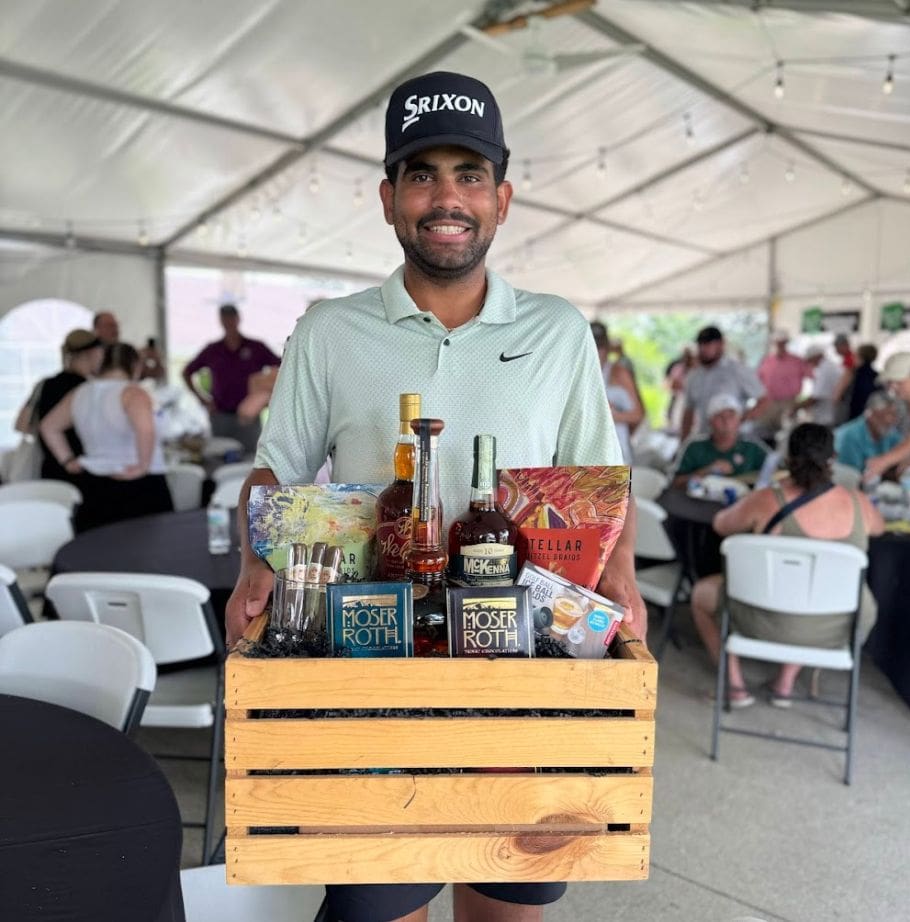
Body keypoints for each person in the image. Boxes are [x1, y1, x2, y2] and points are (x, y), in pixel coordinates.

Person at [226, 69, 645, 922]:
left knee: (506, 901)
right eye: (422, 175)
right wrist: (253, 566)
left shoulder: (558, 330)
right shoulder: (329, 331)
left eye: (470, 175)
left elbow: (600, 486)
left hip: (523, 675)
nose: (446, 198)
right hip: (373, 670)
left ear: (502, 199)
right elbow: (276, 472)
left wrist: (622, 578)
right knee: (383, 902)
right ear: (388, 199)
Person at [690, 423, 883, 707]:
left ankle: (734, 685)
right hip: (835, 627)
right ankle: (785, 683)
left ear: (788, 458)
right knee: (816, 595)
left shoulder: (766, 499)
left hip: (763, 619)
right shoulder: (859, 504)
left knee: (700, 595)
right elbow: (879, 528)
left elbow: (721, 524)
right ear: (833, 458)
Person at [40, 342, 173, 532]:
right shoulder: (133, 393)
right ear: (135, 365)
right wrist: (143, 465)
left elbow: (48, 426)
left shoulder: (80, 392)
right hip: (137, 483)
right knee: (150, 544)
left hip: (93, 482)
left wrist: (67, 460)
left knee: (99, 545)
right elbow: (146, 430)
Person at [182, 304, 280, 454]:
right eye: (225, 318)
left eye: (231, 318)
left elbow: (282, 367)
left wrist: (267, 395)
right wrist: (203, 400)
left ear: (238, 319)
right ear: (221, 321)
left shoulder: (256, 347)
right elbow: (187, 372)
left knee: (251, 457)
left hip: (249, 418)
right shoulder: (213, 350)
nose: (228, 322)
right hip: (220, 415)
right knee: (220, 456)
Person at [14, 329, 104, 481]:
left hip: (50, 472)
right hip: (84, 471)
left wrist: (49, 438)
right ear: (92, 353)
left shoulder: (44, 385)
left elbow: (21, 425)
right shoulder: (90, 390)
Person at [681, 325, 766, 440]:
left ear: (721, 344)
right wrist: (683, 442)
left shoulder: (737, 370)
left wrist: (740, 420)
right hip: (705, 438)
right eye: (701, 344)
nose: (704, 349)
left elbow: (763, 399)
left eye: (708, 344)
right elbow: (688, 412)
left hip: (735, 439)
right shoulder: (693, 376)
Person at [671, 393, 768, 489]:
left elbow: (773, 474)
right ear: (710, 421)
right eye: (720, 416)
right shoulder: (694, 447)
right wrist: (707, 471)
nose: (726, 421)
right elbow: (675, 483)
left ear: (739, 420)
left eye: (731, 416)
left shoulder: (753, 449)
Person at [863, 351, 910, 482]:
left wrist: (883, 461)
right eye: (890, 383)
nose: (894, 387)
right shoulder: (904, 405)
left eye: (899, 382)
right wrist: (908, 456)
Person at [590, 321, 643, 463]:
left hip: (616, 452)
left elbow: (638, 415)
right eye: (592, 346)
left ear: (607, 348)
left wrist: (609, 414)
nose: (596, 352)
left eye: (600, 347)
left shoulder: (618, 372)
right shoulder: (578, 373)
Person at [756, 329, 808, 437]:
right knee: (765, 433)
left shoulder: (797, 361)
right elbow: (757, 382)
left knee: (788, 434)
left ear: (786, 343)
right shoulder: (766, 361)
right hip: (769, 403)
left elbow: (813, 376)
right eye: (777, 343)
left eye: (782, 342)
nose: (780, 345)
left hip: (789, 402)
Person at [833, 392, 901, 474]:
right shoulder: (851, 435)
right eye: (885, 415)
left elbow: (904, 457)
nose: (890, 420)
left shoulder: (891, 433)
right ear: (870, 415)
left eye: (893, 415)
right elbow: (851, 472)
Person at [798, 344, 844, 427]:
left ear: (816, 357)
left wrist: (796, 407)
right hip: (829, 415)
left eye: (810, 360)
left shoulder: (826, 369)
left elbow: (816, 397)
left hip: (827, 417)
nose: (809, 363)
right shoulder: (827, 366)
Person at [839, 343, 880, 421]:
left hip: (853, 415)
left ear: (859, 357)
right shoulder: (877, 375)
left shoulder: (851, 374)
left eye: (855, 355)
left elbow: (837, 395)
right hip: (871, 417)